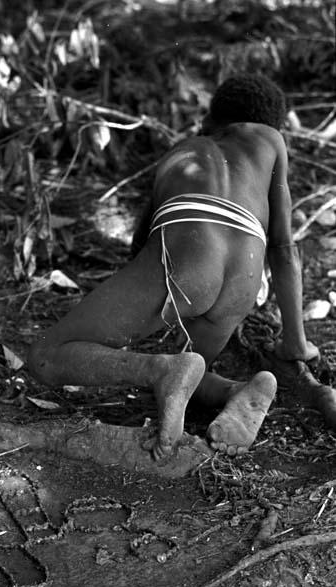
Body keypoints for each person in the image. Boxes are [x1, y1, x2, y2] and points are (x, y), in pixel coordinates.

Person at [28, 74, 319, 462]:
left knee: (47, 355)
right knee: (195, 372)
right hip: (244, 278)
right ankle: (235, 391)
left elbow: (142, 241)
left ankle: (159, 370)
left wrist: (135, 308)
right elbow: (283, 249)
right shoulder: (271, 141)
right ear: (273, 122)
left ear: (210, 119)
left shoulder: (185, 149)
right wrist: (295, 343)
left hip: (190, 254)